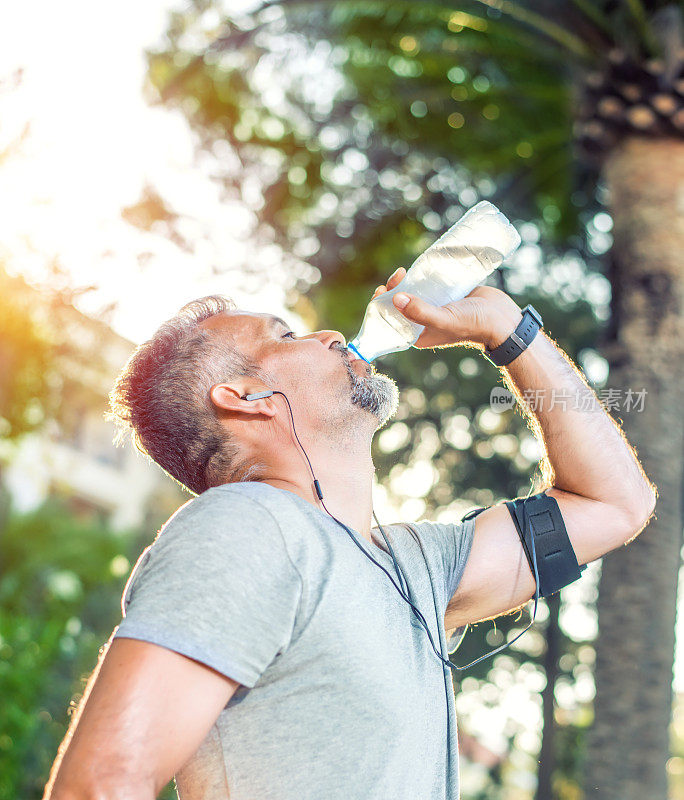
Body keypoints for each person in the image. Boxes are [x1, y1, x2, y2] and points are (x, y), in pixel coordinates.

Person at [43, 269, 655, 800]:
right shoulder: (246, 529)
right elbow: (98, 785)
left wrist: (510, 332)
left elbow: (616, 503)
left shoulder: (417, 567)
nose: (332, 335)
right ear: (248, 397)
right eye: (286, 335)